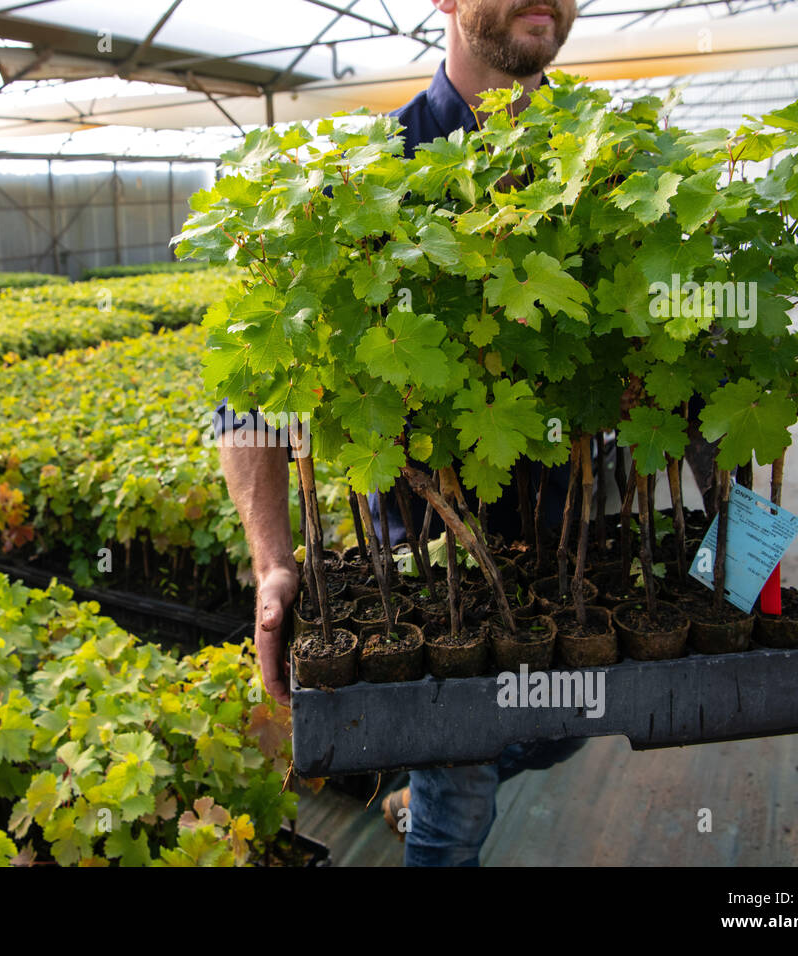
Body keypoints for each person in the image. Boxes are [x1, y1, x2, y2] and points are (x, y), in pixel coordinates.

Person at [217, 0, 586, 866]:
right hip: (421, 583)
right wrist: (274, 561)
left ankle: (429, 779)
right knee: (458, 810)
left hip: (572, 562)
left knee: (559, 731)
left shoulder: (606, 163)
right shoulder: (360, 173)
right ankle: (437, 792)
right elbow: (244, 393)